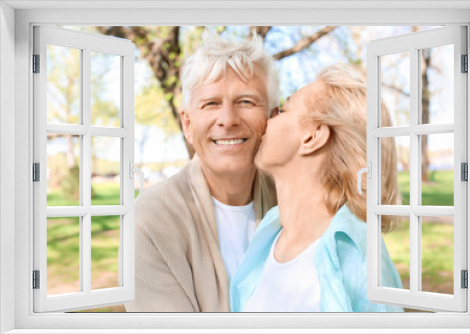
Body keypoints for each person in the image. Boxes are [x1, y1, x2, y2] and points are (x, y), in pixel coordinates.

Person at [230, 64, 404, 312]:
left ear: (312, 138)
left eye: (283, 110)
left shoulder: (362, 262)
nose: (266, 121)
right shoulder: (267, 239)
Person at [126, 32, 278, 312]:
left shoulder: (293, 200)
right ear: (187, 123)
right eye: (211, 103)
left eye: (246, 101)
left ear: (272, 117)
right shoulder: (150, 220)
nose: (228, 120)